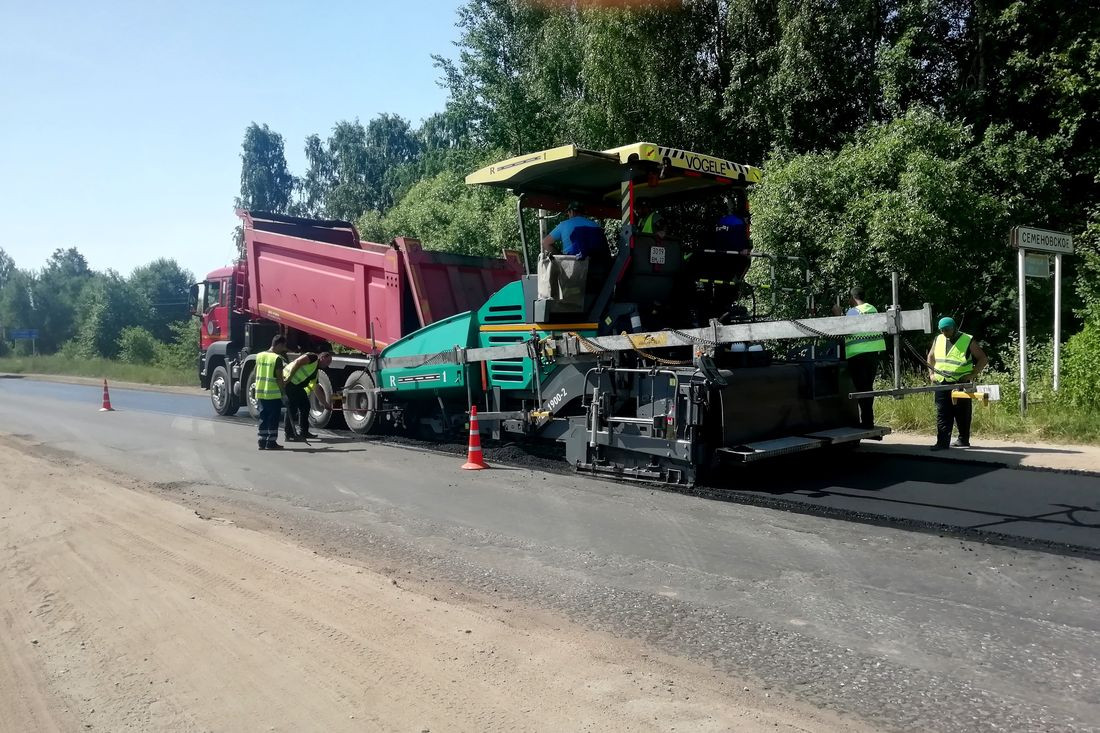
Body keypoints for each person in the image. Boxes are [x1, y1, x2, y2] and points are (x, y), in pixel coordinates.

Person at [926, 316, 988, 450]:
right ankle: (942, 442)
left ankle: (963, 439)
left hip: (961, 382)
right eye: (942, 330)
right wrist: (931, 374)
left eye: (947, 330)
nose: (945, 333)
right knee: (942, 412)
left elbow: (983, 359)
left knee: (962, 413)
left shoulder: (967, 339)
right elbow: (931, 356)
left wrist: (972, 374)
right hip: (942, 383)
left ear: (954, 327)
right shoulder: (939, 339)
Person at [832, 287, 886, 428]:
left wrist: (838, 315)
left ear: (852, 298)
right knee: (868, 387)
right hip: (873, 353)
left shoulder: (853, 312)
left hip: (858, 354)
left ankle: (867, 422)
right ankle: (869, 420)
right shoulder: (873, 309)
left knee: (862, 389)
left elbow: (842, 330)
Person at [282, 351, 333, 442]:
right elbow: (298, 363)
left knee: (305, 406)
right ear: (322, 358)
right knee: (292, 408)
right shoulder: (312, 357)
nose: (328, 364)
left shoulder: (315, 372)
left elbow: (316, 388)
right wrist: (289, 378)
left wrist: (325, 404)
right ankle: (289, 434)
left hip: (296, 386)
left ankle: (304, 432)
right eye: (328, 361)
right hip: (289, 382)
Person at [254, 335, 289, 451]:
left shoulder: (259, 356)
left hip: (261, 392)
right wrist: (283, 394)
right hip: (273, 394)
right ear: (278, 345)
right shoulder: (276, 359)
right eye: (283, 346)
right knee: (273, 419)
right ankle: (271, 442)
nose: (283, 349)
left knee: (263, 417)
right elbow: (279, 378)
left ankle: (262, 441)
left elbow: (255, 373)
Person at [541, 202, 606, 260]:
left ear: (571, 211)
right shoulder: (595, 225)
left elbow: (545, 243)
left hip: (572, 266)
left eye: (568, 213)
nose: (568, 215)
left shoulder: (564, 224)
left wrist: (560, 256)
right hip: (595, 265)